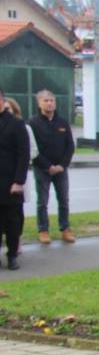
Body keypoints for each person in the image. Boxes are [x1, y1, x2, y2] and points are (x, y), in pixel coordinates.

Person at [28, 89, 75, 244]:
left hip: (61, 170)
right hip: (42, 169)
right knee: (42, 201)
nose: (49, 103)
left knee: (64, 200)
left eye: (51, 100)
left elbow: (70, 146)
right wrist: (48, 166)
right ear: (39, 103)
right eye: (45, 101)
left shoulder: (62, 122)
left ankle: (65, 229)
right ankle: (43, 230)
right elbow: (33, 148)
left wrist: (62, 165)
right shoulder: (33, 123)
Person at [0, 90, 30, 270]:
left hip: (10, 181)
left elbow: (23, 154)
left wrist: (19, 181)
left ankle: (12, 255)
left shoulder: (16, 124)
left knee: (12, 222)